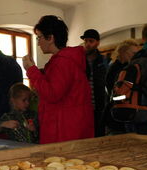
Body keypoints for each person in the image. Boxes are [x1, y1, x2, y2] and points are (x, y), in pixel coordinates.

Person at [22, 15, 94, 144]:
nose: (38, 43)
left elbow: (52, 94)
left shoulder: (63, 62)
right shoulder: (65, 60)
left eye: (39, 37)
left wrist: (31, 70)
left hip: (64, 130)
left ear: (51, 38)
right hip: (70, 126)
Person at [104, 39, 139, 134]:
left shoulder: (122, 68)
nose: (135, 56)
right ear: (123, 52)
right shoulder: (117, 70)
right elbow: (116, 93)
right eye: (132, 53)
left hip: (119, 114)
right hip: (116, 116)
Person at [81, 29, 108, 137]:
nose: (87, 44)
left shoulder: (104, 61)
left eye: (91, 41)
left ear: (97, 43)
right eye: (86, 41)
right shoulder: (80, 59)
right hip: (82, 105)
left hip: (99, 106)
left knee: (98, 135)